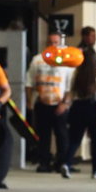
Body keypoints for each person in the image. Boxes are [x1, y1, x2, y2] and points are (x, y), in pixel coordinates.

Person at [26, 30, 76, 176]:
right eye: (50, 42)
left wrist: (65, 103)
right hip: (42, 103)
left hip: (59, 103)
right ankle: (44, 162)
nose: (52, 45)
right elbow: (29, 82)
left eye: (55, 42)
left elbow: (70, 85)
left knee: (62, 135)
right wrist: (30, 101)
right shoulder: (38, 60)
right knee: (43, 136)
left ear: (60, 44)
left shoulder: (66, 63)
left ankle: (62, 162)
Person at [66, 43, 96, 178]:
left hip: (77, 107)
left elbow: (71, 92)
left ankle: (65, 163)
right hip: (92, 107)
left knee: (75, 139)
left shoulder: (76, 73)